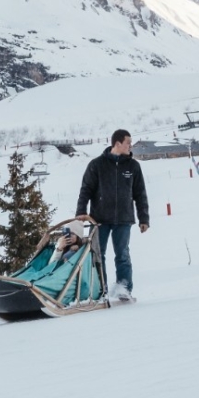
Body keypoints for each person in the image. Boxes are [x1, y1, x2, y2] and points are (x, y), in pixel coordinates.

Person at [75, 129, 149, 302]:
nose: (130, 146)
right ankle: (101, 290)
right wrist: (80, 211)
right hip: (99, 219)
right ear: (117, 143)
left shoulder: (133, 166)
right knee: (98, 256)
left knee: (122, 254)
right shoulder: (97, 165)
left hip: (124, 219)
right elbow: (85, 189)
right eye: (128, 143)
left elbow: (140, 194)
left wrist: (144, 218)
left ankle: (124, 288)